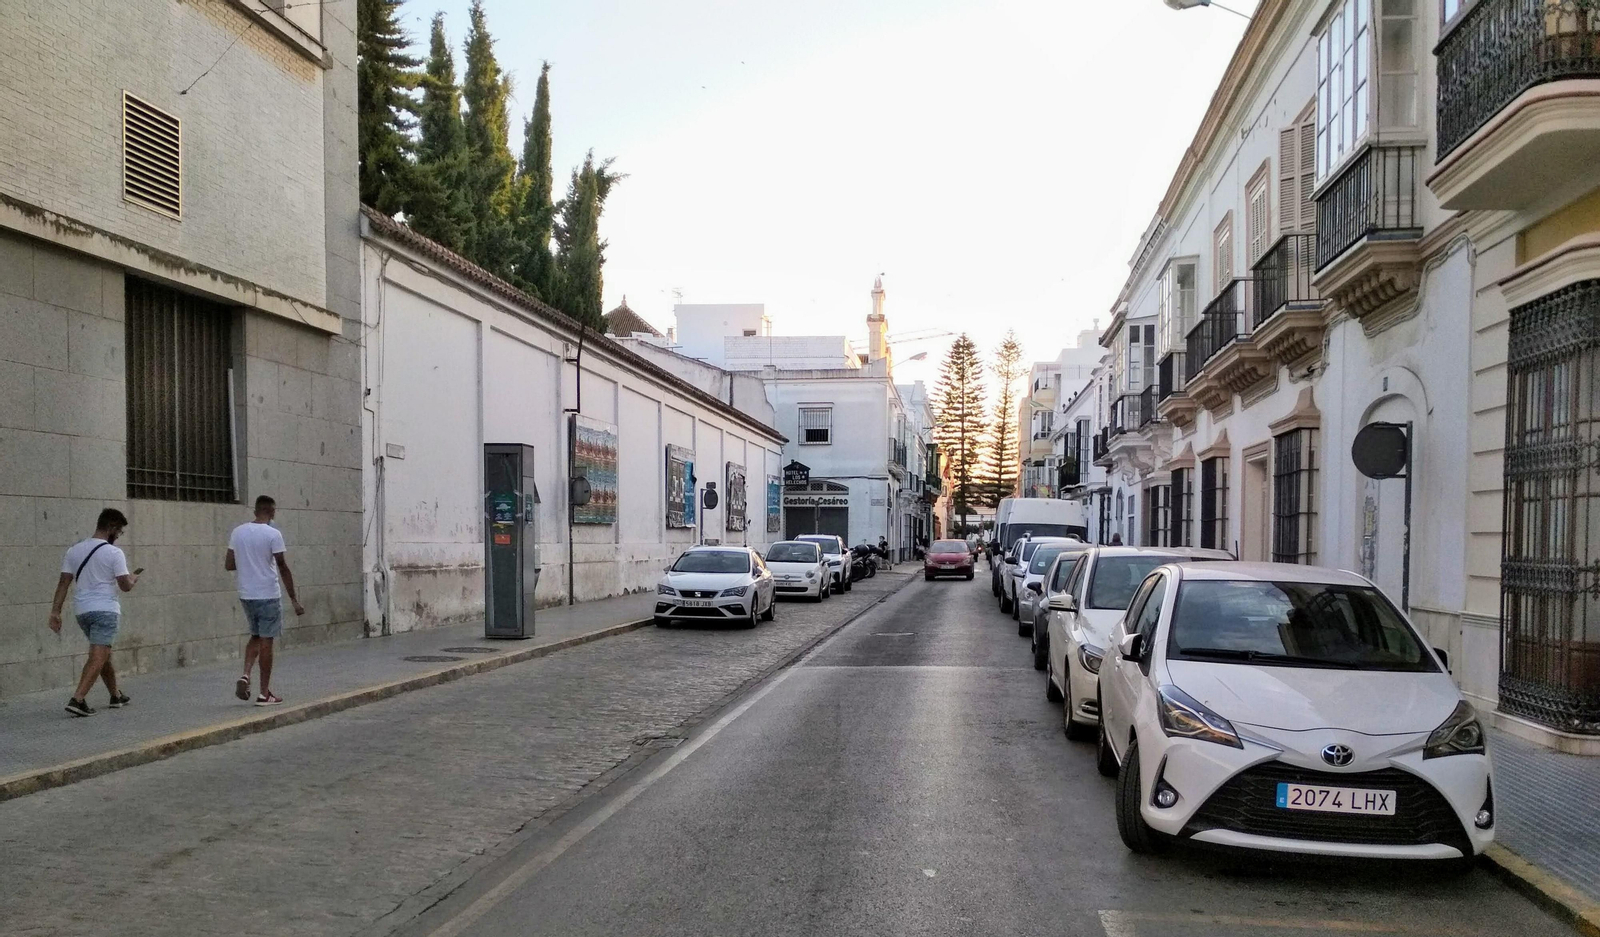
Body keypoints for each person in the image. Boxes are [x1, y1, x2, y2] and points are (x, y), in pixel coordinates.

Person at [49, 508, 139, 717]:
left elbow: (64, 582)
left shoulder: (75, 550)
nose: (118, 536)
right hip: (105, 611)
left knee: (103, 653)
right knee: (98, 657)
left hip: (83, 612)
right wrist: (133, 578)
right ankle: (78, 699)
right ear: (111, 527)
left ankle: (115, 695)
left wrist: (55, 612)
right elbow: (124, 586)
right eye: (119, 531)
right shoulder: (114, 553)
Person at [226, 496, 304, 706]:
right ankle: (264, 693)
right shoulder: (273, 534)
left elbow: (229, 564)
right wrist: (294, 599)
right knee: (267, 642)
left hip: (246, 594)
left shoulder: (238, 532)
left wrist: (248, 562)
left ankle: (245, 674)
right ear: (272, 512)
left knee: (255, 636)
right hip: (268, 594)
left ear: (255, 511)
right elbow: (282, 566)